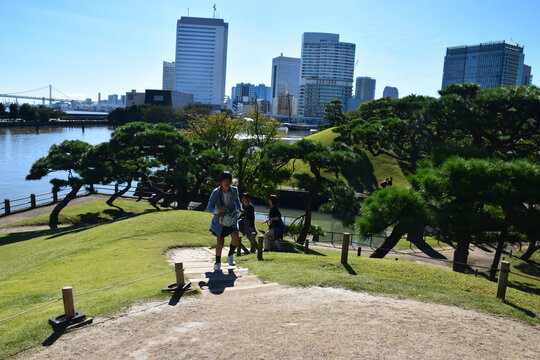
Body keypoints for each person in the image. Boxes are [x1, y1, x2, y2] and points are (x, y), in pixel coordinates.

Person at [206, 171, 242, 272]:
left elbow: (237, 201)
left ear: (230, 181)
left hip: (232, 218)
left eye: (228, 180)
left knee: (235, 236)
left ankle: (230, 255)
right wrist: (217, 211)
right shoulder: (216, 192)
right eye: (224, 180)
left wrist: (240, 209)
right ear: (220, 181)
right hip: (220, 220)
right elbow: (209, 207)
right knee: (220, 242)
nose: (226, 182)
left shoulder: (234, 190)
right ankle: (217, 262)